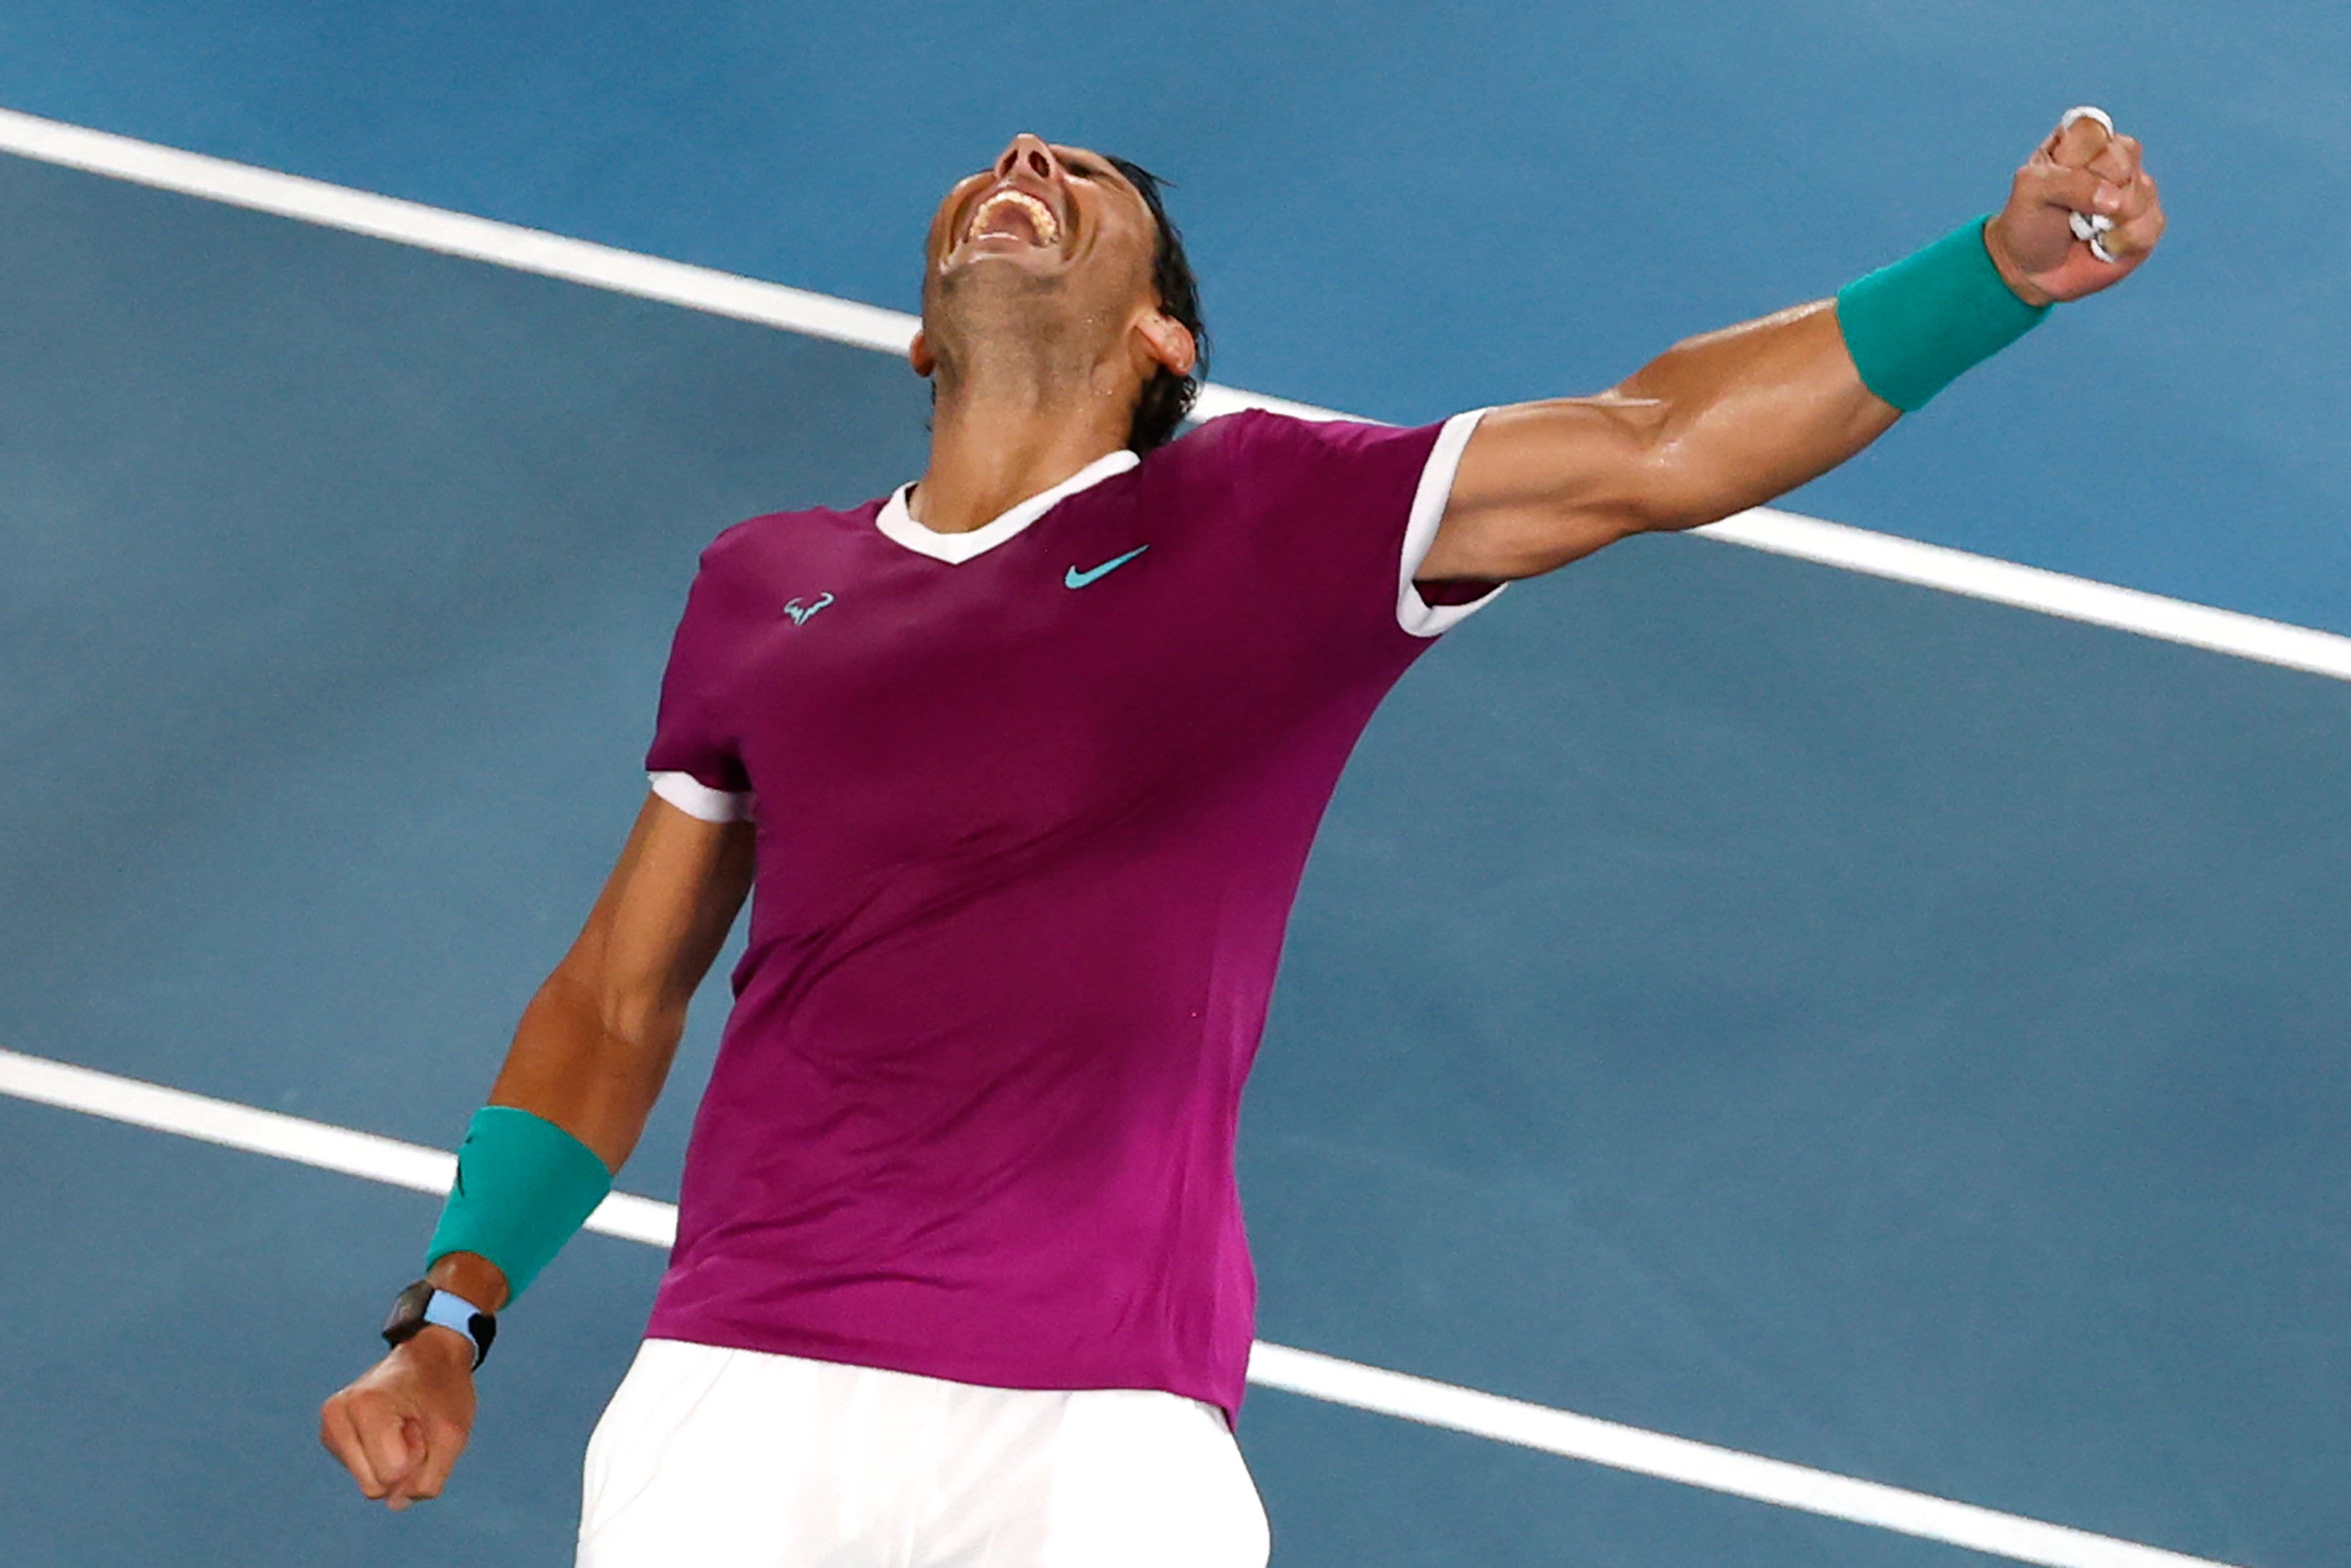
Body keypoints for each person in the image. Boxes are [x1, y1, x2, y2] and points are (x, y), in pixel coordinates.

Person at [321, 114, 2165, 1565]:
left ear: (1161, 338)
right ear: (917, 327)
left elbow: (1652, 440)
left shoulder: (1274, 515)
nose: (1022, 166)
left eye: (1087, 179)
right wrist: (455, 1309)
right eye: (993, 169)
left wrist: (1988, 279)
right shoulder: (762, 584)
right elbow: (619, 991)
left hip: (1102, 1418)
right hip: (740, 1385)